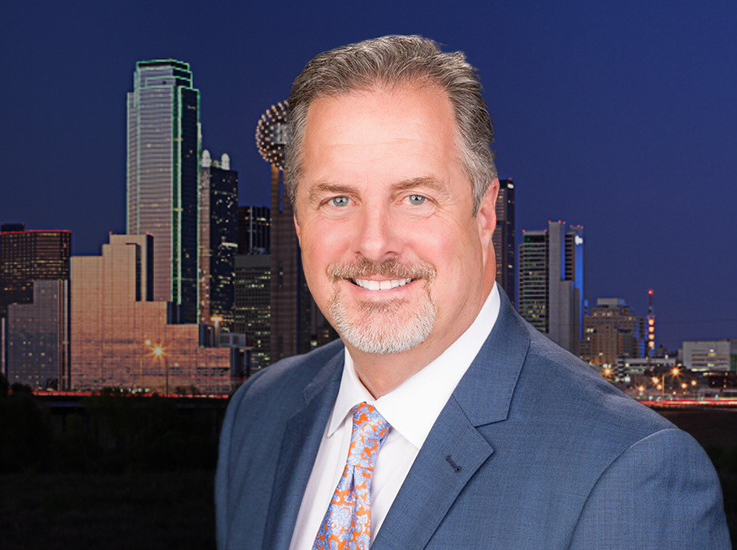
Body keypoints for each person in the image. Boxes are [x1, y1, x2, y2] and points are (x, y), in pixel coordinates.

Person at [215, 35, 728, 550]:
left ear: (484, 215)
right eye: (338, 199)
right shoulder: (259, 413)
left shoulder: (629, 473)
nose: (374, 244)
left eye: (415, 198)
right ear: (300, 221)